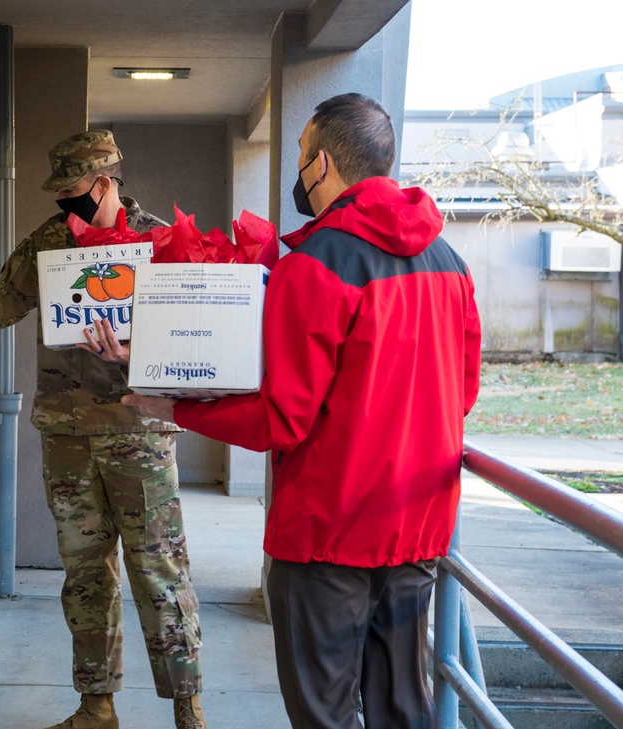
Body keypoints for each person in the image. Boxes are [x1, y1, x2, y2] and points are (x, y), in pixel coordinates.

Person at [124, 93, 482, 729]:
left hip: (329, 538)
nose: (297, 169)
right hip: (418, 530)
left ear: (320, 165)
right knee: (405, 706)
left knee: (324, 713)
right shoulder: (449, 264)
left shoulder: (316, 265)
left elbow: (281, 419)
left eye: (299, 154)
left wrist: (172, 404)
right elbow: (463, 392)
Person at [0, 130, 207, 729]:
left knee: (159, 571)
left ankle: (189, 708)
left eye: (75, 191)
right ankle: (96, 707)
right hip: (69, 435)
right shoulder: (49, 245)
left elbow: (193, 334)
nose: (66, 205)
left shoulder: (160, 243)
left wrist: (138, 351)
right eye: (60, 195)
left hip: (139, 433)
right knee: (84, 576)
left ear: (105, 184)